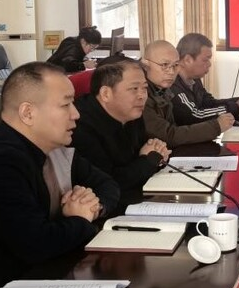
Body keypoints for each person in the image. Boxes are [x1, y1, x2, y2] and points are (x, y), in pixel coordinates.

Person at [0, 62, 119, 288]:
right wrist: (80, 220)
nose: (76, 114)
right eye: (65, 104)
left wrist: (93, 206)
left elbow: (108, 185)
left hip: (39, 274)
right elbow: (37, 245)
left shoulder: (51, 146)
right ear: (28, 113)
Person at [71, 59, 170, 206]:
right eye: (134, 89)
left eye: (144, 88)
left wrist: (157, 151)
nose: (142, 96)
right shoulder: (79, 125)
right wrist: (149, 160)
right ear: (105, 93)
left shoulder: (131, 113)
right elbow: (108, 182)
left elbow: (146, 151)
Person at [141, 40, 235, 148]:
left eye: (175, 65)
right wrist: (216, 126)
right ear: (145, 65)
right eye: (164, 65)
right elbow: (168, 135)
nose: (171, 72)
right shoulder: (141, 95)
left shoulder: (163, 89)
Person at [172, 32, 239, 124]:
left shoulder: (194, 79)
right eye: (205, 60)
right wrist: (236, 107)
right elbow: (194, 115)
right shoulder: (172, 83)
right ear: (187, 60)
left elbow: (209, 103)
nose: (209, 64)